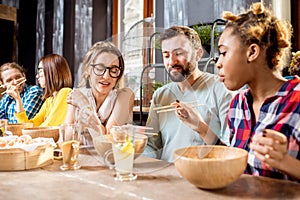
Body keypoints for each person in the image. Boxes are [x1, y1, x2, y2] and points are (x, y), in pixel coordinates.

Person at [177, 3, 300, 181]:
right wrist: (200, 127)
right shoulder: (239, 103)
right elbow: (236, 160)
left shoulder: (296, 99)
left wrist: (286, 162)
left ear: (252, 52)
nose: (217, 63)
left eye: (224, 53)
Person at [143, 26, 235, 162]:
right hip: (166, 177)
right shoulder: (161, 95)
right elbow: (152, 146)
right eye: (166, 55)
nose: (171, 62)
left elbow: (231, 151)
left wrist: (201, 127)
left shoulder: (222, 89)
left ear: (198, 54)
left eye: (179, 53)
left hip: (203, 177)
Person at [65, 41, 134, 138]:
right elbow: (65, 139)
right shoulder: (78, 95)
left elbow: (107, 140)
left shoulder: (125, 96)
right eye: (100, 68)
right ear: (88, 69)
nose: (106, 76)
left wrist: (84, 106)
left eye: (113, 70)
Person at [8, 54, 73, 127]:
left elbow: (49, 126)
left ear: (52, 71)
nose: (37, 76)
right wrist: (18, 99)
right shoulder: (49, 101)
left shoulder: (65, 92)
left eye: (40, 71)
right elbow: (28, 126)